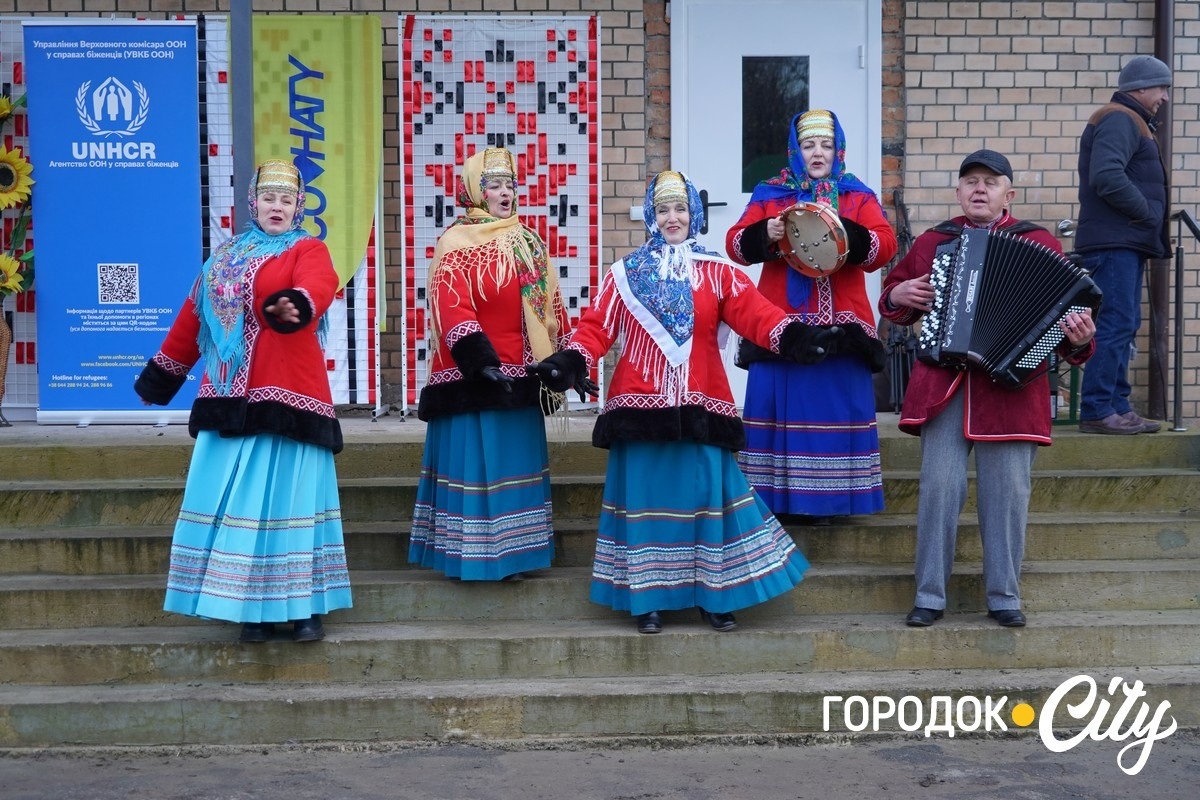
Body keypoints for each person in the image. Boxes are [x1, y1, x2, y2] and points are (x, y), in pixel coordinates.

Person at [529, 171, 840, 634]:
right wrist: (568, 363)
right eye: (662, 210)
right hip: (639, 404)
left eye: (679, 209)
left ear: (693, 213)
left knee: (708, 501)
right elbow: (596, 328)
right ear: (651, 217)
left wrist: (798, 338)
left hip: (702, 403)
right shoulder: (624, 274)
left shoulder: (720, 272)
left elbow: (758, 316)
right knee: (646, 505)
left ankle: (715, 595)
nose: (671, 218)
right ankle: (648, 600)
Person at [135, 158, 352, 643]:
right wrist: (160, 377)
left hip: (289, 396)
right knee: (238, 505)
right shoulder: (225, 258)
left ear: (299, 207)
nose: (278, 207)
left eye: (288, 199)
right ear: (253, 202)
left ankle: (303, 610)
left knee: (291, 503)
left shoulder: (306, 249)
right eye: (269, 198)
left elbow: (320, 284)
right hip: (228, 396)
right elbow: (194, 320)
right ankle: (249, 609)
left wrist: (295, 303)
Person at [879, 149, 1096, 628]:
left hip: (1013, 390)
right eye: (971, 181)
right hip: (945, 385)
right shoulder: (935, 241)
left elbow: (1062, 324)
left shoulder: (1038, 242)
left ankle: (1004, 596)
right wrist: (898, 294)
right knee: (939, 488)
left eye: (991, 182)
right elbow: (893, 299)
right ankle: (929, 595)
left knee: (1008, 494)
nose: (980, 189)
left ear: (1008, 194)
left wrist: (1080, 341)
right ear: (958, 192)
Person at [726, 109, 899, 523]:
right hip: (783, 327)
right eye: (808, 145)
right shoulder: (771, 194)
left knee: (834, 407)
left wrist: (848, 233)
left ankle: (836, 500)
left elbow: (886, 247)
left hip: (844, 326)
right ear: (795, 150)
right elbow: (734, 245)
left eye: (825, 145)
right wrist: (765, 233)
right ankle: (780, 499)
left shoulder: (857, 194)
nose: (817, 153)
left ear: (837, 149)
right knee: (782, 408)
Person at [410, 147, 572, 582]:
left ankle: (516, 555)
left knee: (512, 465)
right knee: (478, 466)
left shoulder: (529, 240)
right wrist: (478, 360)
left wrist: (568, 360)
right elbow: (451, 305)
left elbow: (551, 306)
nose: (504, 193)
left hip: (521, 380)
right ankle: (470, 554)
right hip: (475, 377)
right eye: (494, 185)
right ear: (474, 192)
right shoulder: (455, 243)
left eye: (509, 185)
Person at [1075, 55, 1172, 435]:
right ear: (1142, 87)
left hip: (1123, 241)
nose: (1164, 97)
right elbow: (1107, 176)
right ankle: (1099, 409)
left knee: (1124, 323)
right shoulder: (1119, 117)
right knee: (1116, 323)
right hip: (1114, 241)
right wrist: (1148, 213)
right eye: (1161, 88)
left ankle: (1118, 406)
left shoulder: (1130, 120)